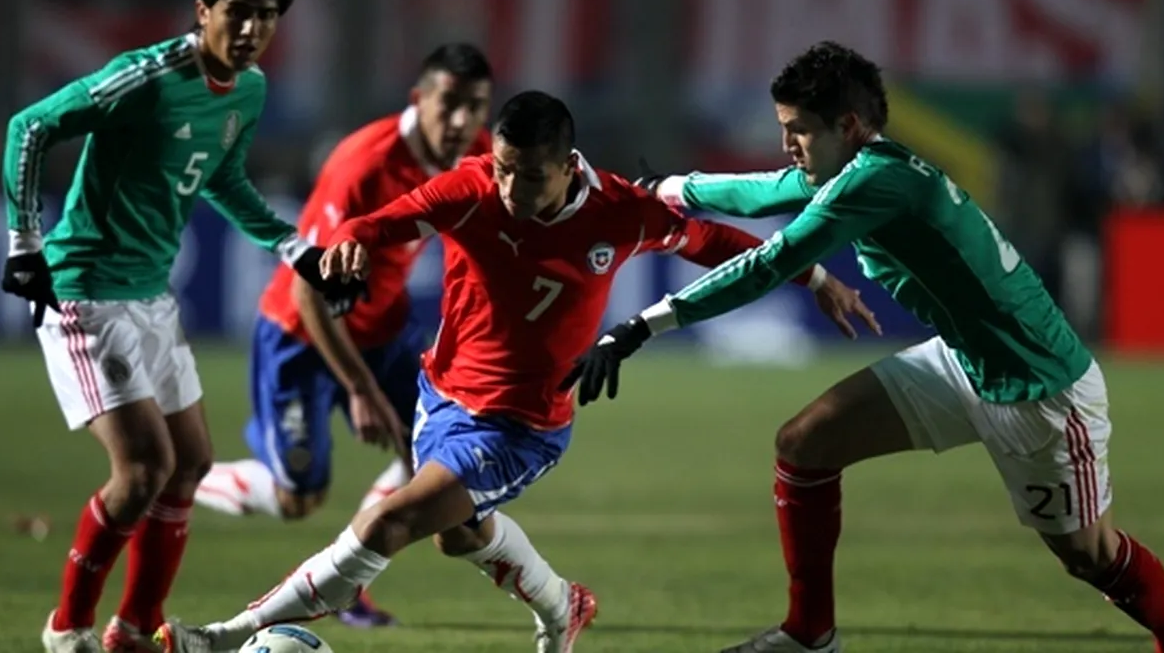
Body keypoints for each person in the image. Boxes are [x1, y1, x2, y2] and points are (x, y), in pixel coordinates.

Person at [565, 42, 1164, 653]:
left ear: (849, 127)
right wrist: (667, 188)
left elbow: (770, 262)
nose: (787, 142)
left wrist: (639, 327)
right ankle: (809, 634)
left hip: (1039, 388)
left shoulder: (873, 183)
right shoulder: (858, 166)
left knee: (1090, 556)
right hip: (965, 360)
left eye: (798, 130)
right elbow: (764, 189)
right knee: (805, 443)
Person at [154, 89, 873, 653]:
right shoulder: (469, 188)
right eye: (501, 167)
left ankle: (221, 637)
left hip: (522, 426)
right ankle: (565, 604)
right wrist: (351, 244)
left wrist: (812, 278)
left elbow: (709, 239)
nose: (508, 187)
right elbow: (379, 222)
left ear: (569, 166)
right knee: (457, 534)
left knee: (392, 520)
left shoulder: (620, 209)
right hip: (441, 397)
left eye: (528, 176)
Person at [0, 0, 360, 652]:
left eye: (268, 15)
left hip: (151, 295)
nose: (253, 30)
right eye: (238, 13)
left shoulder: (248, 89)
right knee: (141, 472)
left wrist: (298, 253)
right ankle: (67, 629)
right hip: (86, 290)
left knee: (190, 463)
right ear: (202, 10)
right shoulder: (145, 76)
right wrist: (23, 244)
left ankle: (133, 631)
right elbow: (29, 127)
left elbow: (223, 179)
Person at [193, 42, 494, 628]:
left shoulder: (479, 155)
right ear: (419, 99)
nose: (461, 122)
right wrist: (359, 387)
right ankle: (188, 478)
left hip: (383, 329)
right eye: (449, 104)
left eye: (475, 107)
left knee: (432, 460)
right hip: (303, 336)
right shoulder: (364, 165)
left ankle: (347, 584)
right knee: (298, 497)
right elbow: (309, 290)